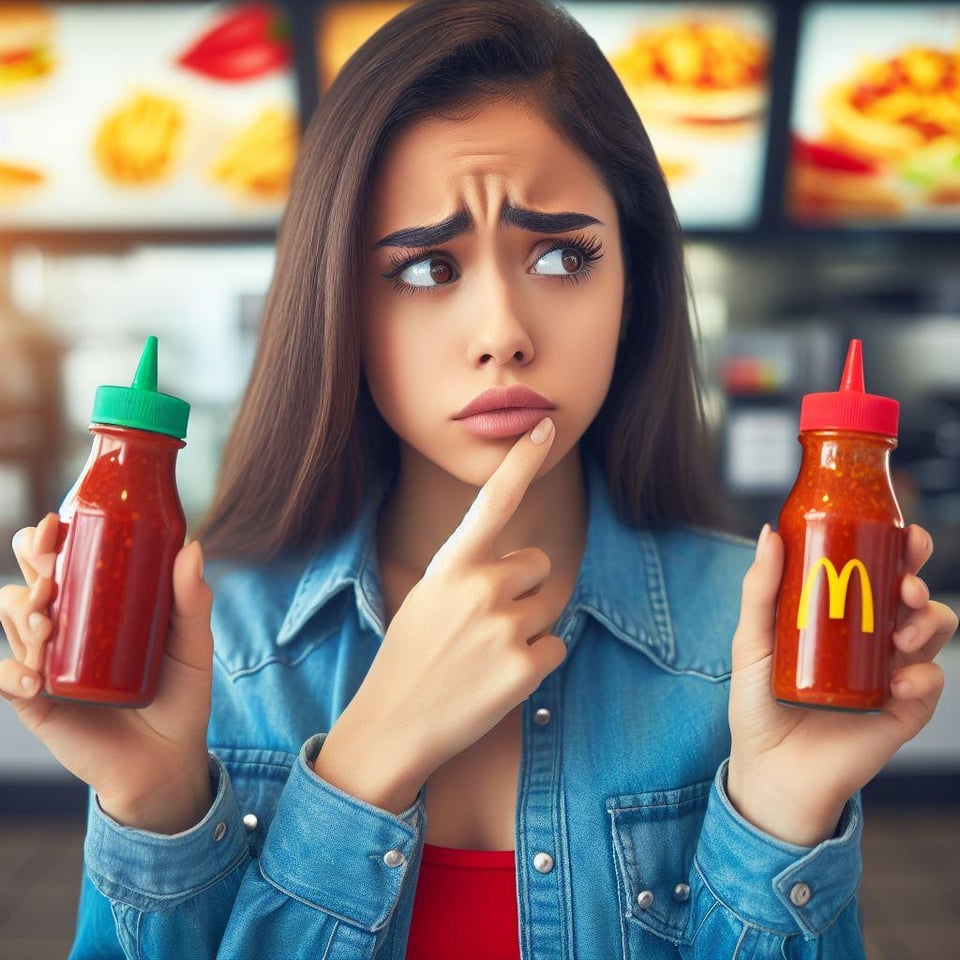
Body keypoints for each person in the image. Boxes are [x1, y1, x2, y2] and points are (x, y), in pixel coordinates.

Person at [1, 2, 956, 958]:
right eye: (425, 269)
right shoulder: (211, 647)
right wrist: (174, 796)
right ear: (340, 306)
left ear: (638, 287)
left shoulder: (756, 640)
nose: (502, 329)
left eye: (560, 255)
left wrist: (786, 806)